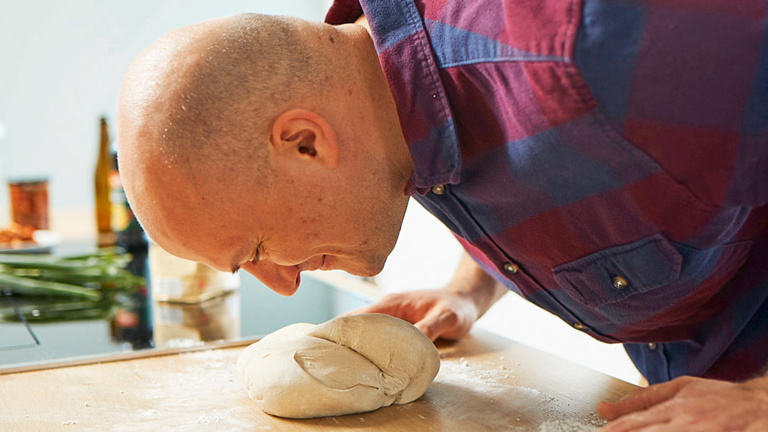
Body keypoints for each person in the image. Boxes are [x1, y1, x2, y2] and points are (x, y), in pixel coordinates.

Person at [117, 1, 768, 430]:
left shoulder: (599, 57)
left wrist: (757, 402)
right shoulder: (384, 105)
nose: (284, 284)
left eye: (256, 247)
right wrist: (471, 284)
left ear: (306, 143)